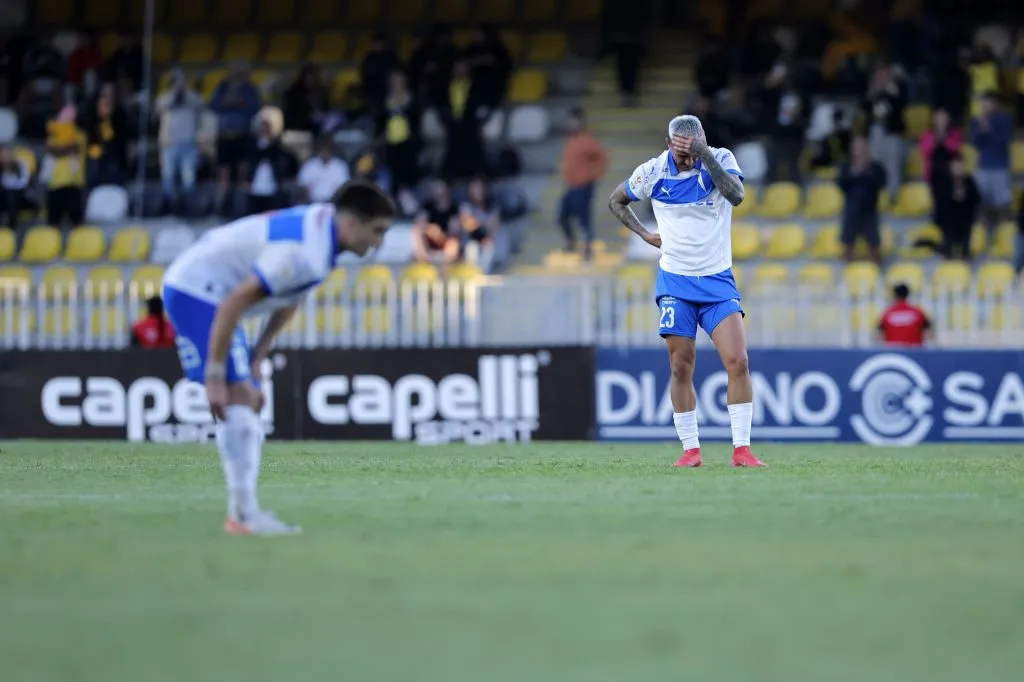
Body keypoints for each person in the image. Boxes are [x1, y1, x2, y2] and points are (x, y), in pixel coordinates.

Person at [161, 180, 396, 535]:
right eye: (377, 231)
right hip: (196, 289)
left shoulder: (323, 232)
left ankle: (243, 512)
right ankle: (243, 516)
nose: (379, 242)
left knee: (247, 399)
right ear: (351, 224)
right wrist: (214, 376)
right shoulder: (306, 253)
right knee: (240, 397)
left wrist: (259, 354)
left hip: (214, 292)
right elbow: (232, 304)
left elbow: (291, 295)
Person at [608, 114, 764, 469]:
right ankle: (691, 450)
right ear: (668, 145)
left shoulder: (719, 159)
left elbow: (737, 196)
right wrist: (644, 234)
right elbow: (616, 200)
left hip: (717, 280)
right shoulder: (652, 172)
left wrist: (704, 154)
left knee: (738, 361)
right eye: (683, 154)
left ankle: (741, 451)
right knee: (680, 366)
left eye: (694, 151)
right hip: (676, 282)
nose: (689, 159)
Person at [558, 107, 608, 259]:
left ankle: (588, 249)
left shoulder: (587, 140)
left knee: (584, 219)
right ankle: (571, 242)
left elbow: (602, 158)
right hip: (571, 186)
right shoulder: (570, 139)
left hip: (584, 186)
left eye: (574, 121)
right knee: (562, 216)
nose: (571, 124)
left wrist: (593, 176)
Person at [837, 136, 887, 264]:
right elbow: (842, 184)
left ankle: (875, 270)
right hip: (851, 211)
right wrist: (855, 173)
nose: (859, 152)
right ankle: (847, 270)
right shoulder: (846, 167)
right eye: (856, 149)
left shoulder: (876, 167)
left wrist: (865, 172)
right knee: (848, 246)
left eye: (862, 148)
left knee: (874, 246)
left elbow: (881, 182)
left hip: (870, 211)